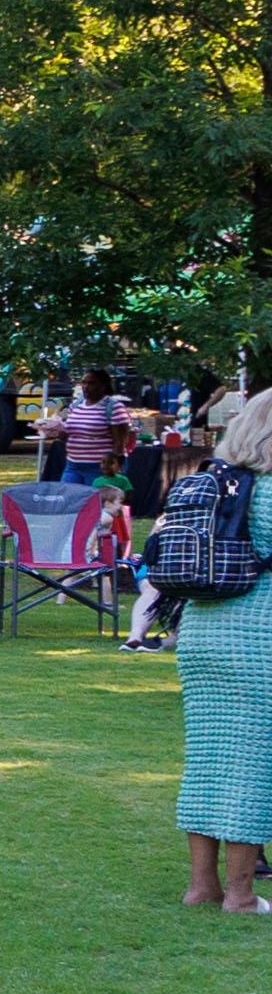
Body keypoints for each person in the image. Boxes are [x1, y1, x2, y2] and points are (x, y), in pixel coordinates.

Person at [172, 391, 272, 914]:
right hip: (259, 636)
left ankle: (201, 886)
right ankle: (240, 893)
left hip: (203, 630)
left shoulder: (217, 483)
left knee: (209, 759)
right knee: (254, 764)